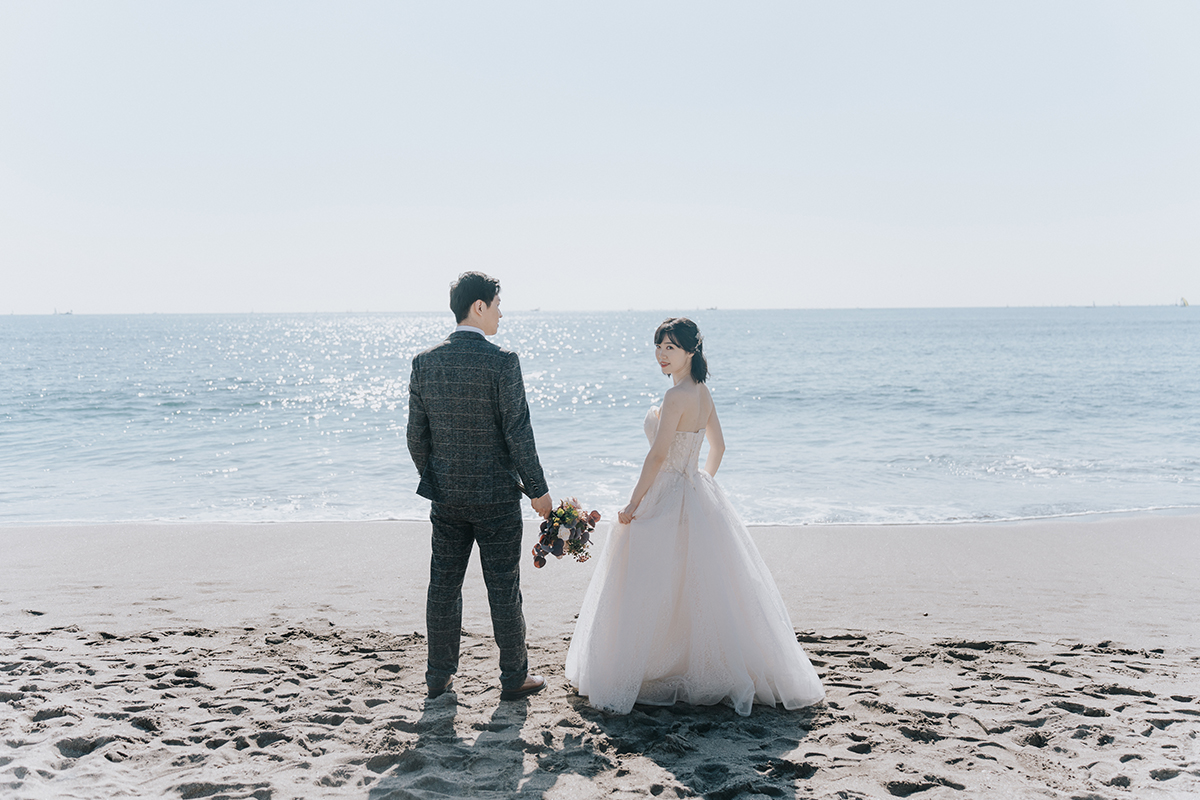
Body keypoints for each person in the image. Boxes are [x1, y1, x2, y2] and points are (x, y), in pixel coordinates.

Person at [565, 317, 825, 716]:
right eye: (658, 347)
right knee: (697, 583)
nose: (661, 355)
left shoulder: (676, 398)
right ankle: (687, 664)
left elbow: (656, 456)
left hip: (667, 493)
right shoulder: (702, 393)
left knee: (650, 578)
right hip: (694, 493)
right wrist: (699, 483)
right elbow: (719, 446)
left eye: (670, 347)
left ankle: (648, 667)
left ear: (690, 351)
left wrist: (634, 503)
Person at [407, 272, 553, 701]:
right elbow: (518, 433)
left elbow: (416, 436)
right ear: (479, 307)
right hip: (496, 498)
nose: (501, 313)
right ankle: (514, 677)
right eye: (498, 304)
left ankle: (438, 677)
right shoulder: (503, 361)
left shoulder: (425, 361)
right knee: (503, 586)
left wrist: (436, 476)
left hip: (447, 496)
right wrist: (538, 489)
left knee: (443, 586)